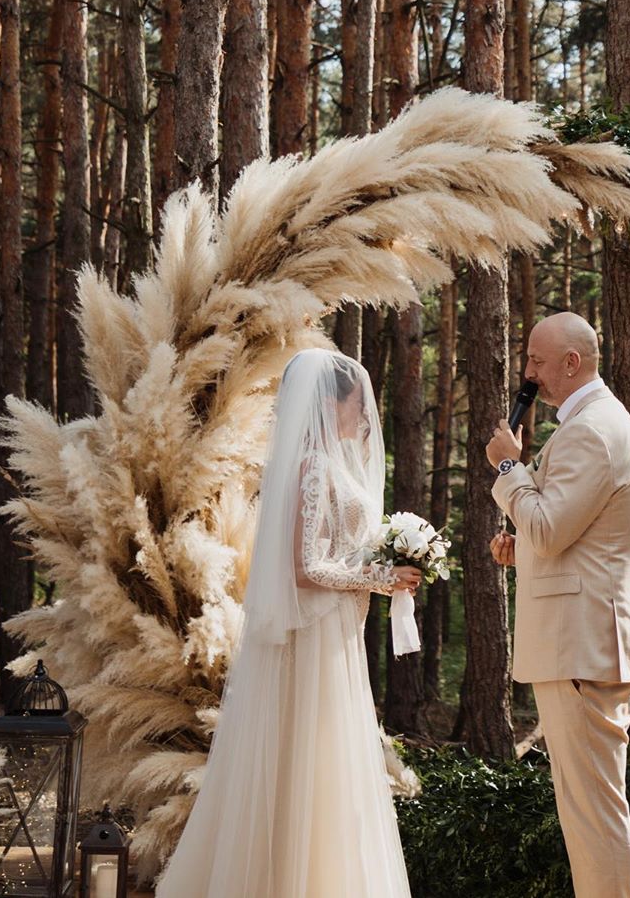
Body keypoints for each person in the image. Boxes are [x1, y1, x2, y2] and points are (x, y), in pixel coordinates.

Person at [156, 347, 420, 898]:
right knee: (307, 758)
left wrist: (383, 566)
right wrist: (378, 576)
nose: (363, 417)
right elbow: (305, 568)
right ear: (328, 403)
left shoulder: (325, 466)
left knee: (325, 766)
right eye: (356, 406)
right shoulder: (314, 468)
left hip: (333, 635)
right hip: (313, 638)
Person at [486, 312, 630, 898]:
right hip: (583, 644)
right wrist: (521, 548)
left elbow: (551, 528)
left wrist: (509, 467)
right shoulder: (588, 426)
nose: (528, 373)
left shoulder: (591, 432)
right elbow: (559, 536)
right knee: (588, 814)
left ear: (571, 363)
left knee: (594, 818)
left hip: (581, 649)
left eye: (535, 360)